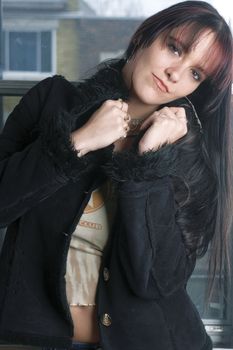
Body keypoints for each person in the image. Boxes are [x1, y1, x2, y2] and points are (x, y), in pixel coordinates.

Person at [0, 1, 232, 349]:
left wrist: (147, 163)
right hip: (35, 339)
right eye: (174, 48)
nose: (175, 73)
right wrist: (78, 142)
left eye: (196, 74)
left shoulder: (189, 161)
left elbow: (154, 282)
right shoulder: (52, 102)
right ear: (145, 37)